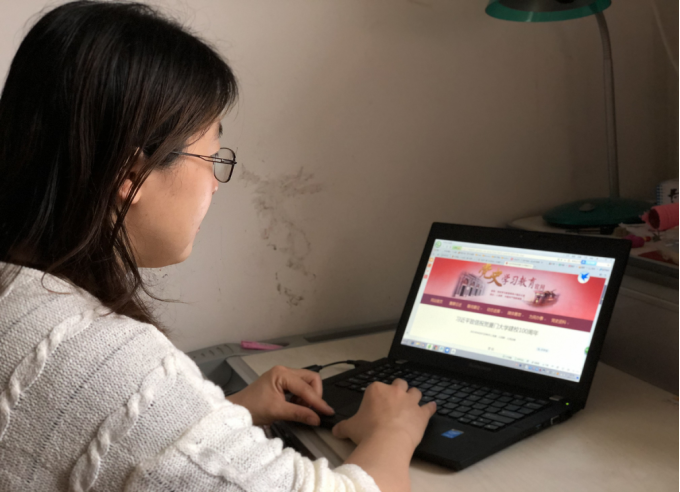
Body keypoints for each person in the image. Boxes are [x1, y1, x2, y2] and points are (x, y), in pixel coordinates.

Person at [0, 2, 436, 491]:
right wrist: (394, 430)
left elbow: (95, 443)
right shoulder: (108, 362)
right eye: (212, 157)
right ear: (131, 175)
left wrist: (222, 415)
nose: (215, 183)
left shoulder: (19, 294)